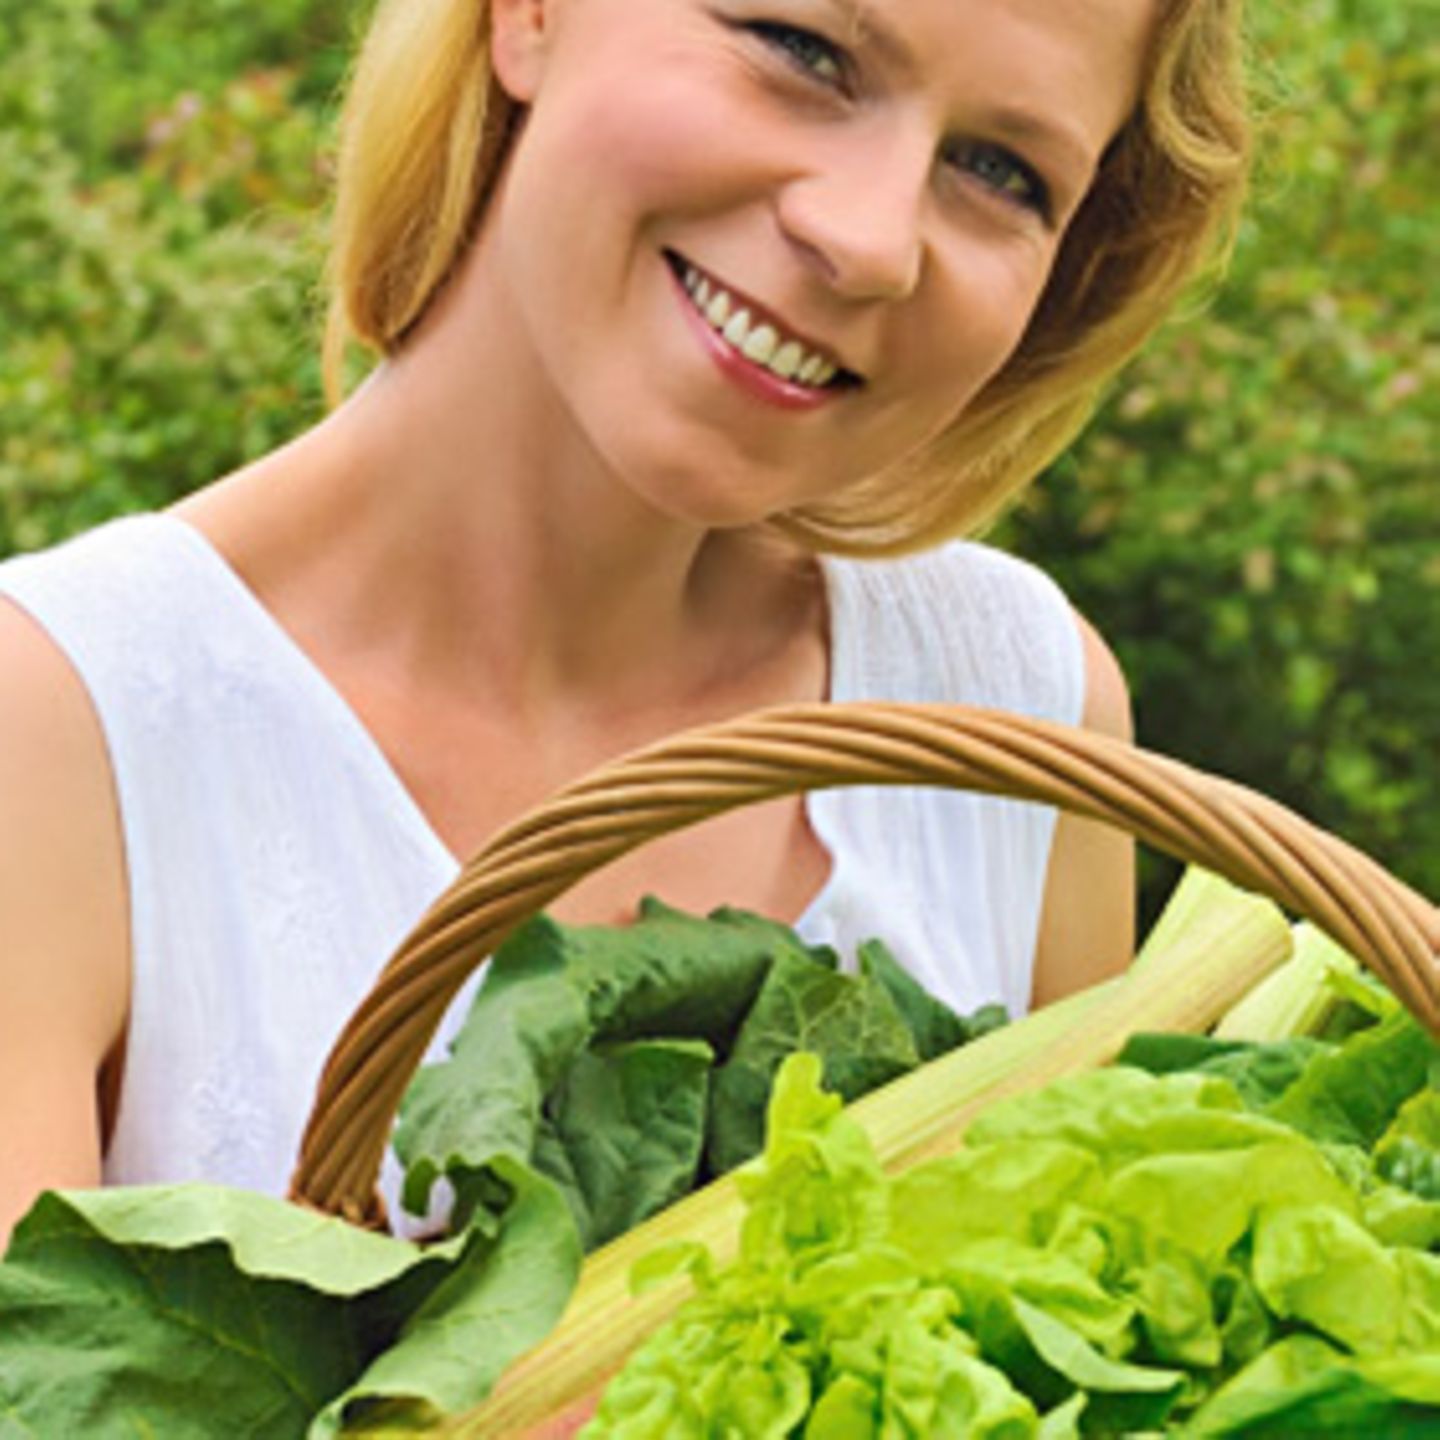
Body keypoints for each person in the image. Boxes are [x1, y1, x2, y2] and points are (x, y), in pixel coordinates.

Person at [0, 0, 1251, 1244]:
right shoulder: (55, 727)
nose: (869, 239)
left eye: (999, 170)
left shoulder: (1018, 709)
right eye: (801, 50)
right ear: (530, 14)